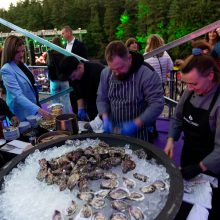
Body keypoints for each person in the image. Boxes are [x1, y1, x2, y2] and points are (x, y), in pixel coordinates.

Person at [164, 48, 220, 219]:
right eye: (187, 83)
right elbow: (177, 118)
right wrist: (171, 139)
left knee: (206, 208)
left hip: (212, 165)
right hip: (189, 154)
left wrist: (200, 167)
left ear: (210, 76)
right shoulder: (190, 91)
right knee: (185, 204)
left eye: (194, 84)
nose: (189, 88)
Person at [96, 41, 164, 141]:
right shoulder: (106, 73)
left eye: (120, 68)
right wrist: (105, 117)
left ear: (129, 58)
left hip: (140, 132)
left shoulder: (147, 74)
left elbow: (157, 104)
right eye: (113, 69)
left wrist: (136, 123)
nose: (116, 73)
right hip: (114, 131)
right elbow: (101, 98)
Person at [1, 35, 52, 121]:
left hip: (33, 110)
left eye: (23, 51)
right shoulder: (6, 69)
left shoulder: (22, 64)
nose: (21, 55)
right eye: (17, 52)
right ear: (10, 51)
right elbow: (17, 96)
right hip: (21, 114)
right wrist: (40, 110)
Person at [60, 56, 105, 121]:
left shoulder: (97, 71)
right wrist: (81, 107)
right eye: (70, 78)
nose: (72, 79)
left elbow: (103, 97)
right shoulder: (73, 77)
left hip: (104, 106)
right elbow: (77, 92)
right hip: (90, 107)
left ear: (79, 67)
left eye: (73, 76)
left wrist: (102, 117)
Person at [61, 25, 88, 114]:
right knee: (72, 96)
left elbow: (84, 60)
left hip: (79, 76)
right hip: (71, 77)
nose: (62, 35)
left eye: (63, 33)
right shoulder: (65, 46)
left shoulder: (80, 45)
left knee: (82, 94)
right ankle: (76, 114)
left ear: (69, 33)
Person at [47, 36, 71, 113]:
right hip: (64, 79)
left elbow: (49, 64)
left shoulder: (50, 53)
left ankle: (58, 117)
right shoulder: (64, 52)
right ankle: (67, 117)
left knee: (55, 101)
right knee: (66, 100)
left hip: (54, 80)